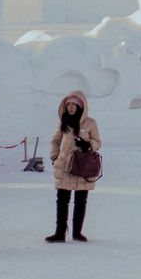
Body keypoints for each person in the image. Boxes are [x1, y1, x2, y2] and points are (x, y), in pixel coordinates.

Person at [46, 90, 102, 242]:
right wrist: (55, 156)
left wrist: (88, 145)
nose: (71, 107)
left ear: (80, 106)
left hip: (82, 166)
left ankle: (77, 232)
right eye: (68, 104)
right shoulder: (62, 122)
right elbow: (55, 141)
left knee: (81, 199)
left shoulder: (90, 123)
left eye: (74, 104)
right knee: (62, 199)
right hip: (64, 165)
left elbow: (98, 142)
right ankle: (59, 233)